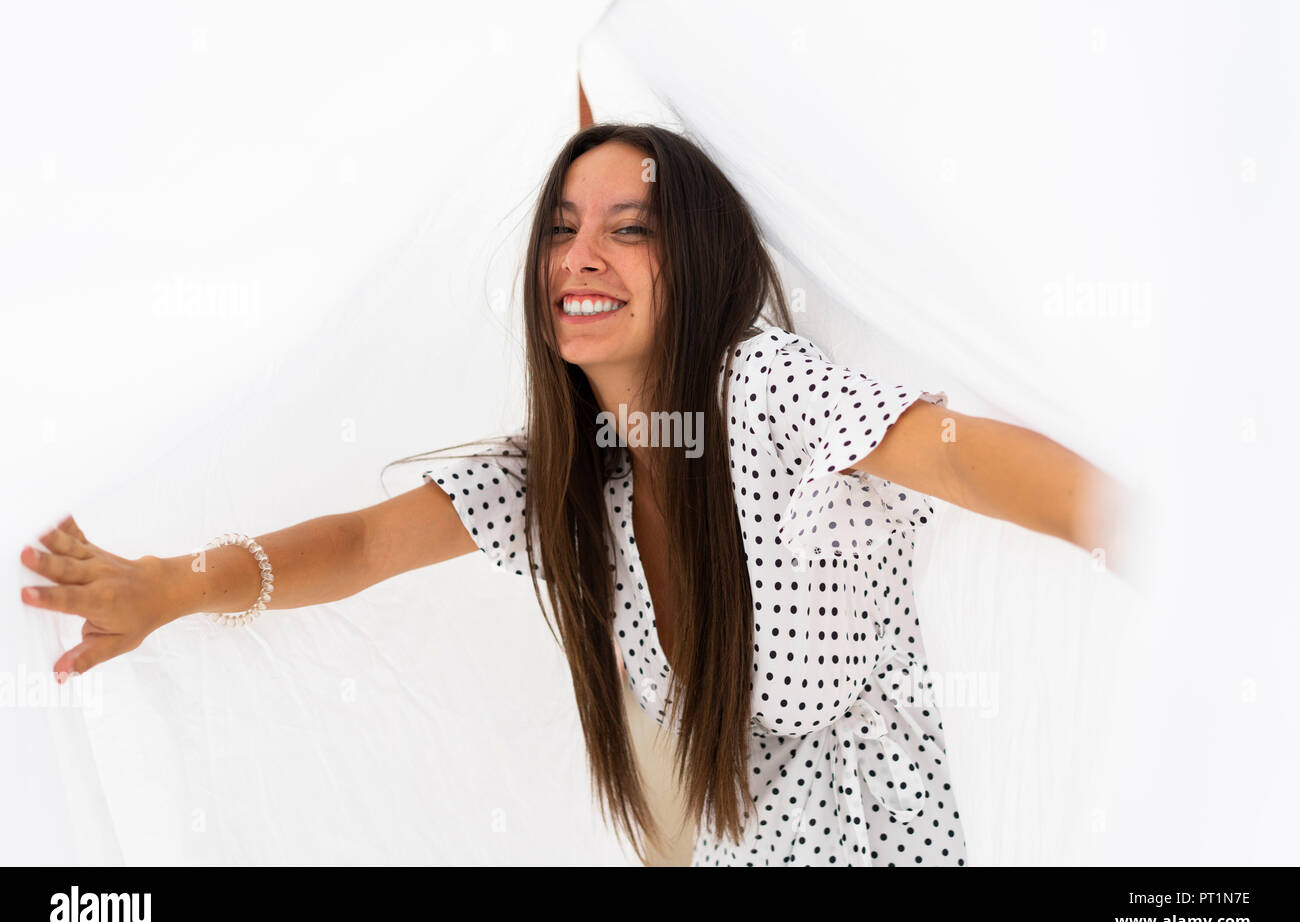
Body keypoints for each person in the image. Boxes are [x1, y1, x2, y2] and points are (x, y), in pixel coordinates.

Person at [19, 122, 1137, 867]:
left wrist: (1140, 529)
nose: (578, 254)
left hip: (924, 816)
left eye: (627, 227)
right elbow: (363, 544)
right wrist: (169, 585)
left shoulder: (755, 382)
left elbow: (947, 450)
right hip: (764, 838)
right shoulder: (562, 483)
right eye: (561, 227)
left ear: (693, 260)